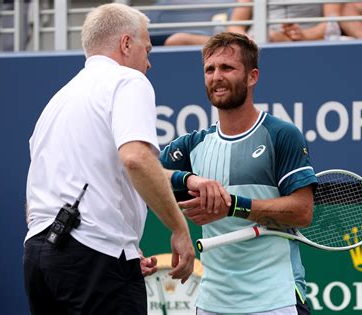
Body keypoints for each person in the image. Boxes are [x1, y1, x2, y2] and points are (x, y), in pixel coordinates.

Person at [23, 4, 200, 314]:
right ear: (126, 44)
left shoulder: (57, 101)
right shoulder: (128, 81)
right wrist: (179, 229)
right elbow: (136, 158)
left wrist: (124, 246)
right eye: (147, 49)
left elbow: (33, 204)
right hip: (93, 261)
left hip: (39, 259)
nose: (149, 63)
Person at [159, 32, 318, 314]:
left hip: (276, 299)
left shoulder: (281, 134)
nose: (216, 76)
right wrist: (188, 179)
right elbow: (144, 169)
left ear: (252, 76)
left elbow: (302, 211)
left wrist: (233, 206)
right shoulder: (193, 144)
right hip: (212, 302)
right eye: (210, 69)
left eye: (227, 68)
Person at [164, 0, 342, 45]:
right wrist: (243, 38)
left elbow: (331, 23)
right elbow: (236, 22)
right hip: (251, 41)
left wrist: (304, 35)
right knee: (177, 40)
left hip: (294, 41)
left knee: (272, 38)